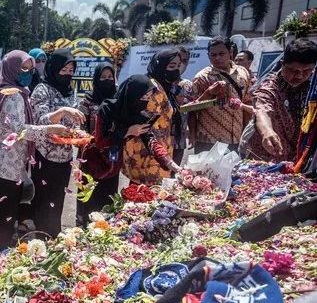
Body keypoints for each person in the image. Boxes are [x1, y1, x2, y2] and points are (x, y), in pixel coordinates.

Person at [0, 50, 70, 256]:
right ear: (12, 68)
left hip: (4, 163)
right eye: (24, 68)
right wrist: (49, 130)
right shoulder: (13, 96)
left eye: (31, 69)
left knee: (4, 216)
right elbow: (19, 130)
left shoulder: (10, 90)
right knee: (6, 218)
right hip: (6, 166)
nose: (29, 73)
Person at [100, 51, 183, 186]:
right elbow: (144, 127)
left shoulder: (164, 86)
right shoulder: (152, 90)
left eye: (178, 66)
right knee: (142, 195)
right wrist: (165, 158)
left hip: (157, 149)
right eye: (172, 66)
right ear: (160, 65)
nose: (176, 70)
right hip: (146, 154)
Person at [30, 49, 85, 237]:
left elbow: (74, 118)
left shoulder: (71, 91)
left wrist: (77, 132)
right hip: (44, 154)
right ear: (54, 69)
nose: (68, 74)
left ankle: (53, 235)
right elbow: (38, 120)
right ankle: (40, 237)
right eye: (64, 70)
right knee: (43, 199)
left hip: (66, 155)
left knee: (58, 198)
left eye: (71, 70)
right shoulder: (42, 89)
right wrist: (61, 111)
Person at [241, 39, 317, 162]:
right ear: (282, 64)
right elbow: (262, 110)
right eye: (294, 70)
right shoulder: (269, 86)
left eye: (307, 71)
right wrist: (267, 131)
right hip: (266, 157)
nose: (299, 76)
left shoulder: (313, 88)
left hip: (300, 159)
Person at [190, 36, 252, 153]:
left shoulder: (243, 73)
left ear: (231, 52)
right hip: (209, 141)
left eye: (221, 53)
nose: (217, 58)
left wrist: (246, 133)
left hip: (237, 138)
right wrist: (192, 135)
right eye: (213, 55)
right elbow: (192, 109)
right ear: (208, 56)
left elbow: (247, 102)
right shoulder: (202, 78)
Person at [76, 62, 118, 226]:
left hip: (112, 153)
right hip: (91, 155)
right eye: (103, 77)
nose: (107, 80)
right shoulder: (87, 101)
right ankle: (86, 226)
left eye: (110, 77)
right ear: (96, 79)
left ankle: (106, 226)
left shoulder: (118, 98)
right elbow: (81, 129)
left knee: (108, 191)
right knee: (89, 191)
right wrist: (94, 142)